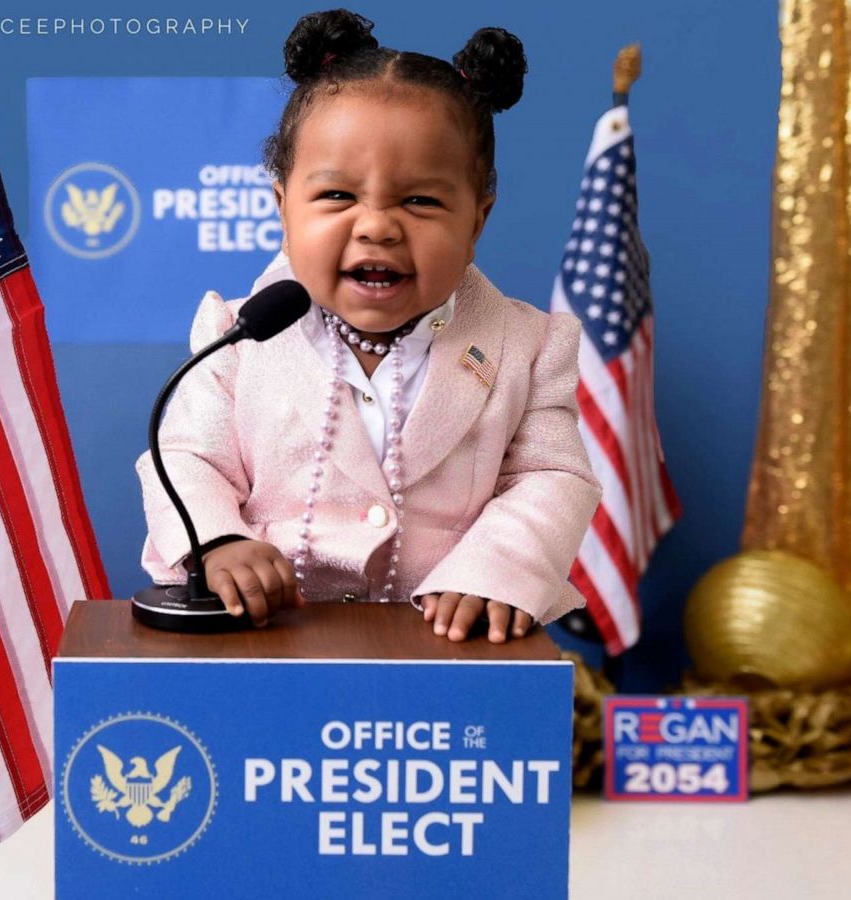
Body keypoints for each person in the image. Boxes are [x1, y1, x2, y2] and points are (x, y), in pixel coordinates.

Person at [135, 9, 603, 644]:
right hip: (267, 639)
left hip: (442, 646)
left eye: (421, 201)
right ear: (282, 208)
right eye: (336, 197)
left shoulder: (527, 346)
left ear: (477, 220)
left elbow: (551, 478)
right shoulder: (237, 334)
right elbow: (187, 458)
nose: (377, 226)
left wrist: (495, 570)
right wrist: (217, 540)